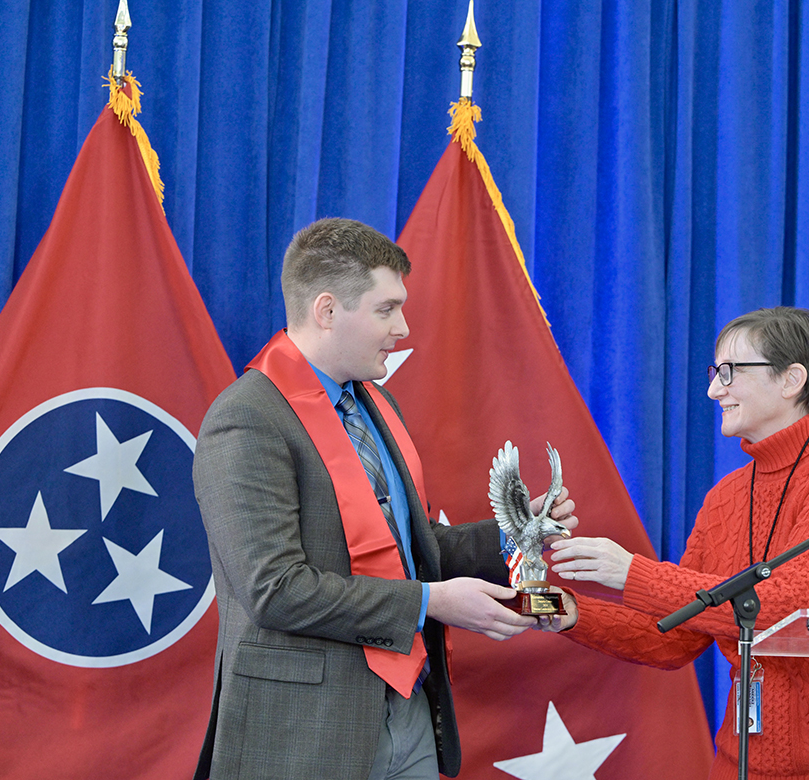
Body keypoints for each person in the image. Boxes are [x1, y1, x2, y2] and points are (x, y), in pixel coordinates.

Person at [192, 218, 575, 780]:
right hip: (305, 735)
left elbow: (409, 550)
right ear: (327, 311)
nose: (402, 327)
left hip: (410, 712)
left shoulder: (378, 407)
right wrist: (429, 603)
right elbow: (275, 591)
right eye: (385, 309)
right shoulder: (247, 418)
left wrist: (516, 532)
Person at [548, 306, 809, 780]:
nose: (713, 389)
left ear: (791, 379)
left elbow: (790, 608)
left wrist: (633, 573)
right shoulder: (727, 497)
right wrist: (568, 610)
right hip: (740, 762)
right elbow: (674, 638)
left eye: (729, 372)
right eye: (715, 373)